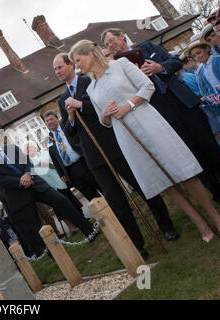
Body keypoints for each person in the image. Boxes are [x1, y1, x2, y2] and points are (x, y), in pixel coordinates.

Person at [69, 40, 220, 243]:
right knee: (166, 183)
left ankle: (215, 216)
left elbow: (147, 86)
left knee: (183, 173)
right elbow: (103, 122)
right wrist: (105, 114)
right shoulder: (91, 89)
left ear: (91, 54)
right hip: (128, 138)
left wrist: (128, 105)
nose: (77, 66)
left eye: (78, 60)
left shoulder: (120, 65)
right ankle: (200, 224)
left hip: (149, 122)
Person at [53, 52, 179, 250]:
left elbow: (103, 107)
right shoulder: (62, 99)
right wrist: (70, 115)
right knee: (115, 200)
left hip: (115, 143)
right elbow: (69, 131)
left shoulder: (90, 81)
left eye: (60, 67)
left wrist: (81, 105)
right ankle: (137, 244)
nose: (57, 72)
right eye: (55, 70)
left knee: (142, 185)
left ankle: (166, 226)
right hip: (93, 156)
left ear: (70, 65)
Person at [102, 27, 220, 204]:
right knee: (191, 153)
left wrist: (160, 67)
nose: (110, 46)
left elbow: (175, 62)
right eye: (106, 45)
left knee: (209, 144)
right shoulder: (118, 70)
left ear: (121, 36)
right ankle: (216, 192)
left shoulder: (148, 47)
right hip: (161, 112)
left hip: (183, 102)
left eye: (111, 40)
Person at [0, 131, 98, 258]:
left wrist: (27, 175)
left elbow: (27, 163)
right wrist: (19, 181)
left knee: (62, 201)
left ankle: (90, 231)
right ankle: (53, 256)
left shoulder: (12, 148)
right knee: (36, 226)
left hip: (35, 184)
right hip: (18, 194)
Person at [23, 141, 79, 236]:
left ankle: (80, 219)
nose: (30, 149)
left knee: (71, 201)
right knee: (58, 209)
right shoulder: (28, 163)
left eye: (31, 147)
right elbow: (32, 176)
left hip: (58, 182)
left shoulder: (45, 153)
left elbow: (56, 164)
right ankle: (71, 227)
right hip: (48, 187)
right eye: (28, 149)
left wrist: (47, 164)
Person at [44, 110, 101, 203]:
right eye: (47, 121)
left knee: (101, 186)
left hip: (83, 163)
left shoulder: (67, 127)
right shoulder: (49, 139)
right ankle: (106, 214)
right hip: (71, 172)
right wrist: (61, 174)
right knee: (91, 197)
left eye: (51, 119)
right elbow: (54, 159)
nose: (49, 122)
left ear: (57, 119)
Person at [185, 40, 220, 144]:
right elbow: (207, 89)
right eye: (194, 56)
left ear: (207, 49)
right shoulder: (202, 70)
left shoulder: (217, 61)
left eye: (199, 53)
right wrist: (207, 97)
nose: (198, 57)